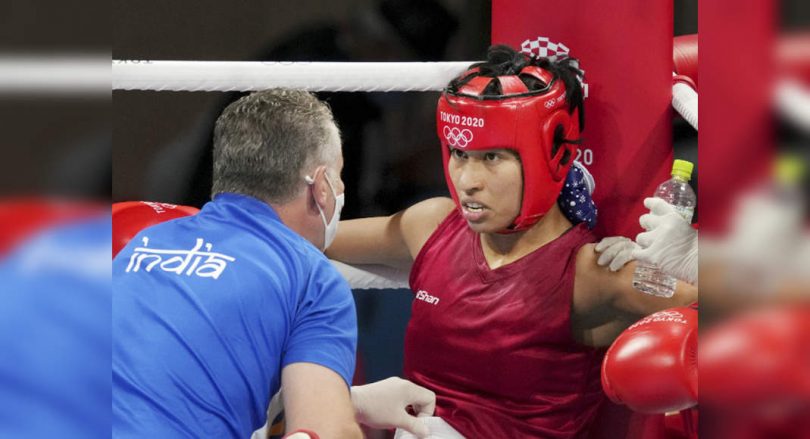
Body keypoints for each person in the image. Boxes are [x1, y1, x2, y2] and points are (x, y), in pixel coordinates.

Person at [327, 45, 698, 438]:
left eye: (491, 158)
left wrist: (694, 256)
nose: (467, 180)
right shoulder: (432, 225)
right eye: (459, 153)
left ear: (550, 154)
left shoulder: (592, 273)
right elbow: (309, 237)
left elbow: (746, 321)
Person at [113, 89, 433, 439]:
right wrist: (338, 416)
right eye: (339, 175)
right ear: (322, 186)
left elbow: (161, 389)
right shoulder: (311, 277)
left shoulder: (144, 243)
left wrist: (349, 400)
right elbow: (328, 434)